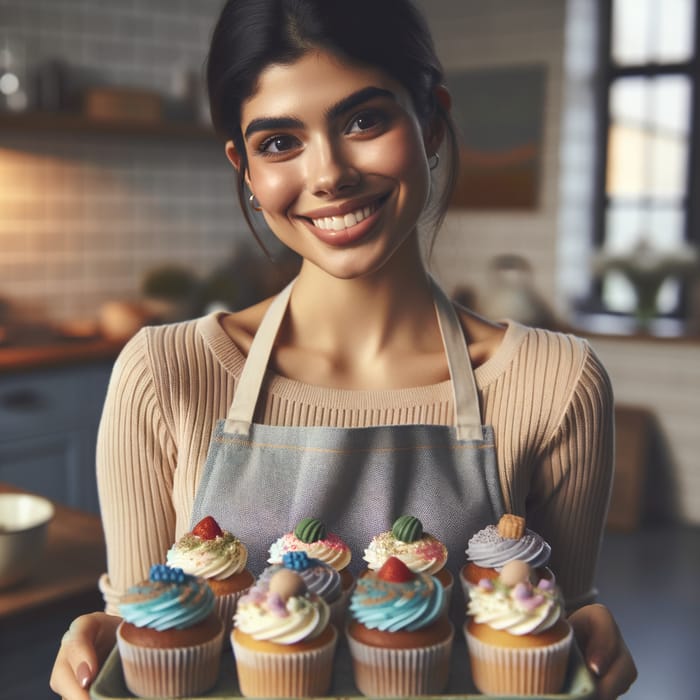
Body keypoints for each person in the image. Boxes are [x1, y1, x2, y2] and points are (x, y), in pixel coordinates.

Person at [50, 1, 637, 698]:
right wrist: (108, 633)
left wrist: (587, 631)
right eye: (278, 142)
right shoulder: (163, 373)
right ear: (243, 165)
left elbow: (550, 634)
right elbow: (146, 630)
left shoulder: (556, 380)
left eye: (363, 121)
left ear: (432, 122)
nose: (328, 174)